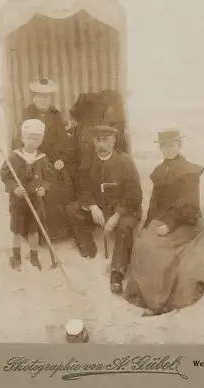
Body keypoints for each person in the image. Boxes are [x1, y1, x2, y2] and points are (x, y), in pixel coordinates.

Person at [125, 129, 204, 316]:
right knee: (143, 243)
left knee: (157, 252)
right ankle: (144, 296)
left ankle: (158, 303)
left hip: (185, 222)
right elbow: (155, 203)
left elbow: (189, 205)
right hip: (165, 219)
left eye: (172, 145)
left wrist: (169, 225)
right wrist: (148, 224)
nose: (168, 150)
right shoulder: (160, 171)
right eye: (164, 146)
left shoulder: (189, 172)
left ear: (179, 146)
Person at [67, 125, 143, 294]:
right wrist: (92, 206)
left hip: (124, 209)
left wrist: (116, 215)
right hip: (99, 209)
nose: (101, 144)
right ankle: (88, 251)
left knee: (125, 228)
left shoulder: (124, 161)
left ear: (114, 141)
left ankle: (117, 273)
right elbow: (81, 187)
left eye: (105, 141)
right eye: (97, 141)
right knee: (73, 210)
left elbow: (135, 195)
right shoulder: (88, 160)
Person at [12, 77, 74, 240]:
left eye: (46, 97)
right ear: (34, 98)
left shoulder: (55, 115)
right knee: (31, 188)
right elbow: (19, 142)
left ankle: (55, 232)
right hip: (31, 161)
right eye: (40, 96)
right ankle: (32, 232)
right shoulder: (27, 114)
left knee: (59, 185)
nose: (43, 100)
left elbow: (64, 142)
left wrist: (61, 159)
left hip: (51, 162)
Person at [0, 119, 55, 270]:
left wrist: (44, 188)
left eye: (37, 138)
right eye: (30, 137)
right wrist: (14, 188)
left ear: (41, 139)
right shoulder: (13, 157)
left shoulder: (42, 159)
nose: (33, 141)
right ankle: (16, 256)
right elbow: (5, 175)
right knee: (17, 229)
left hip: (35, 200)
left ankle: (34, 256)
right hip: (18, 201)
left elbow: (49, 177)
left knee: (33, 229)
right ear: (23, 138)